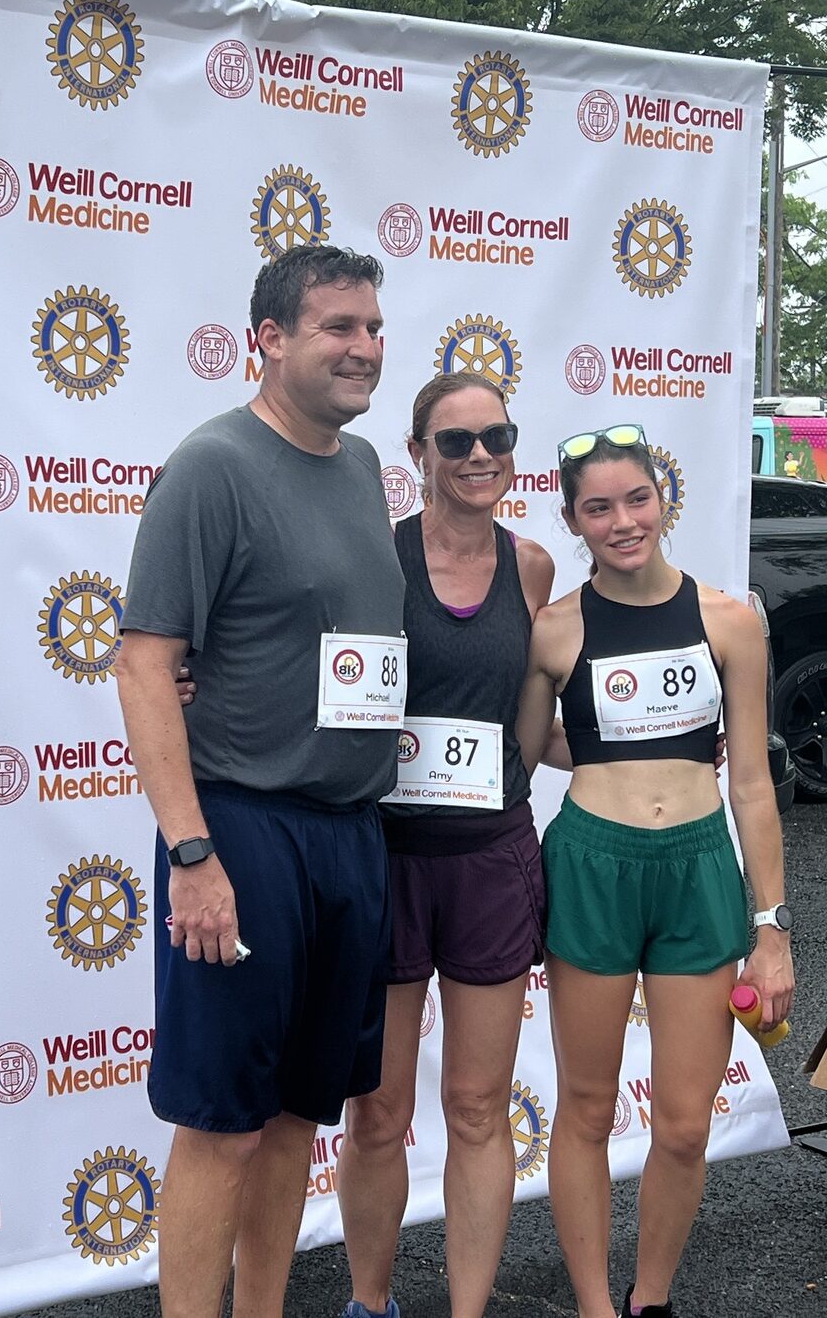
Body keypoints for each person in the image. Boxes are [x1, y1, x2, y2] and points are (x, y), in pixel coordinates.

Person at [115, 245, 407, 1318]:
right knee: (225, 1123)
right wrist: (194, 853)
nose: (365, 348)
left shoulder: (365, 464)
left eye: (374, 327)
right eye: (339, 328)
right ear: (270, 339)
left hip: (347, 833)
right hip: (242, 830)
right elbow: (146, 663)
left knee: (295, 1117)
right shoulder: (214, 465)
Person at [517, 423, 795, 1318]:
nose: (622, 520)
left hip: (697, 869)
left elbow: (750, 783)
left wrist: (772, 929)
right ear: (573, 520)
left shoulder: (730, 621)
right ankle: (597, 1304)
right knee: (588, 1109)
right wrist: (595, 753)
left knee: (680, 1124)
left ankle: (651, 1298)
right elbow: (518, 755)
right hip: (593, 866)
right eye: (597, 508)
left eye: (635, 499)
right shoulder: (553, 630)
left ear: (662, 500)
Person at [336, 373, 558, 1318]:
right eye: (455, 441)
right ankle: (368, 1302)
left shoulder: (535, 567)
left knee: (476, 1107)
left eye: (494, 438)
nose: (478, 457)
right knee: (376, 1112)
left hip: (489, 860)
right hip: (384, 856)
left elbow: (534, 725)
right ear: (416, 452)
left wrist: (646, 746)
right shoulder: (368, 558)